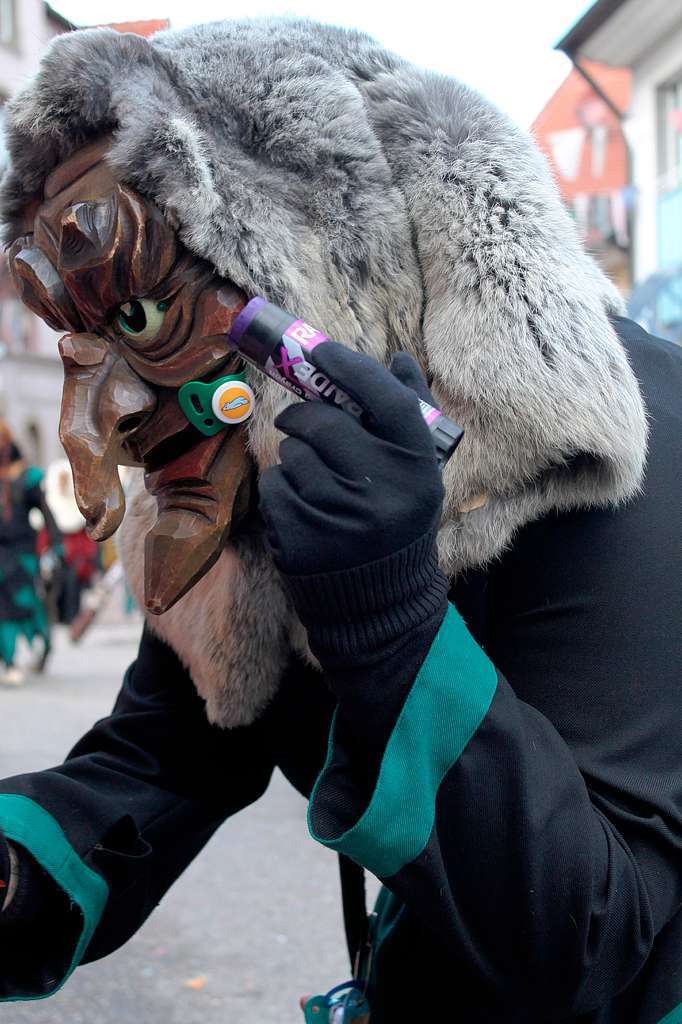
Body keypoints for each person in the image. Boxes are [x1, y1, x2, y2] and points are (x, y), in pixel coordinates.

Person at [0, 18, 679, 1024]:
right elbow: (166, 752)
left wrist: (386, 618)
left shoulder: (605, 435)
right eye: (85, 337)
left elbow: (592, 944)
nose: (109, 419)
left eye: (138, 316)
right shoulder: (256, 474)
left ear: (322, 257)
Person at [0, 421, 58, 684]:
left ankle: (43, 642)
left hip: (23, 555)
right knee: (4, 609)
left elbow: (48, 515)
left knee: (27, 604)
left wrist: (55, 548)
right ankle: (10, 661)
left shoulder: (27, 478)